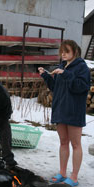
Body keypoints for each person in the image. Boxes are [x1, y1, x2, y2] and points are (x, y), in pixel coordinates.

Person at [38, 40, 90, 187]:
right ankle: (62, 172)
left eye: (66, 51)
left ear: (75, 52)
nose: (63, 54)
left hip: (73, 111)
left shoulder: (82, 68)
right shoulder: (61, 66)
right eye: (62, 51)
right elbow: (56, 87)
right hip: (60, 109)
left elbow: (82, 87)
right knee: (63, 142)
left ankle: (74, 177)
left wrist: (66, 74)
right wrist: (46, 76)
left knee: (76, 144)